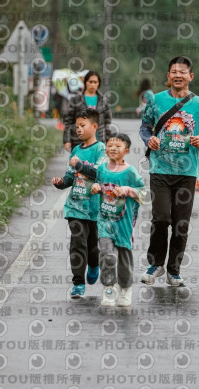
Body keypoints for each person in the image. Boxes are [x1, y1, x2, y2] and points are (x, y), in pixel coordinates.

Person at [138, 56, 199, 286]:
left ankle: (174, 270)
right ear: (168, 76)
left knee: (181, 222)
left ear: (190, 77)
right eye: (173, 71)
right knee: (161, 218)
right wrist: (149, 139)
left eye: (182, 72)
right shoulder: (156, 101)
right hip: (160, 170)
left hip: (187, 173)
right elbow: (144, 128)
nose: (178, 75)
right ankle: (155, 265)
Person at [52, 108, 107, 298]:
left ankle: (94, 264)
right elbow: (70, 176)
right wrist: (61, 183)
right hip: (75, 205)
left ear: (94, 126)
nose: (79, 130)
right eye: (76, 127)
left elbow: (99, 173)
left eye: (82, 126)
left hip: (93, 208)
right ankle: (78, 283)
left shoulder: (101, 149)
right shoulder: (76, 150)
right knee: (77, 244)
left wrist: (80, 165)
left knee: (92, 246)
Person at [91, 133, 145, 307]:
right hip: (105, 221)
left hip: (124, 222)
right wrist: (95, 187)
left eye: (117, 146)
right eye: (109, 145)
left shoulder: (130, 172)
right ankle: (108, 289)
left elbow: (143, 192)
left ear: (126, 151)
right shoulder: (101, 169)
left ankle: (125, 288)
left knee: (123, 257)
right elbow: (95, 183)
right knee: (106, 255)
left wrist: (127, 189)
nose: (112, 148)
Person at [63, 71, 113, 151]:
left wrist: (109, 141)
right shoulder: (76, 100)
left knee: (98, 163)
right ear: (85, 82)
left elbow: (107, 122)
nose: (93, 84)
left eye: (95, 82)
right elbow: (68, 121)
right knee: (78, 163)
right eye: (90, 82)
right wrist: (67, 140)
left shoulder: (103, 101)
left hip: (98, 140)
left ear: (98, 84)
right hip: (79, 140)